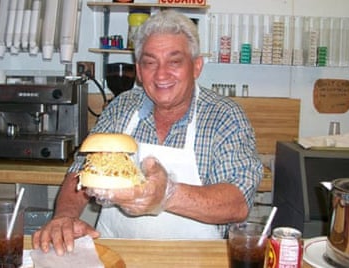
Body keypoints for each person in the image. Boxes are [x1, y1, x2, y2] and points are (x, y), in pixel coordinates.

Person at [32, 9, 263, 255]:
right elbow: (81, 171)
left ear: (196, 67)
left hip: (197, 258)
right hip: (118, 254)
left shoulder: (224, 116)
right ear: (139, 72)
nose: (161, 74)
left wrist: (168, 194)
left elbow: (237, 202)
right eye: (150, 63)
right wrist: (65, 217)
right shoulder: (121, 108)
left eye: (174, 62)